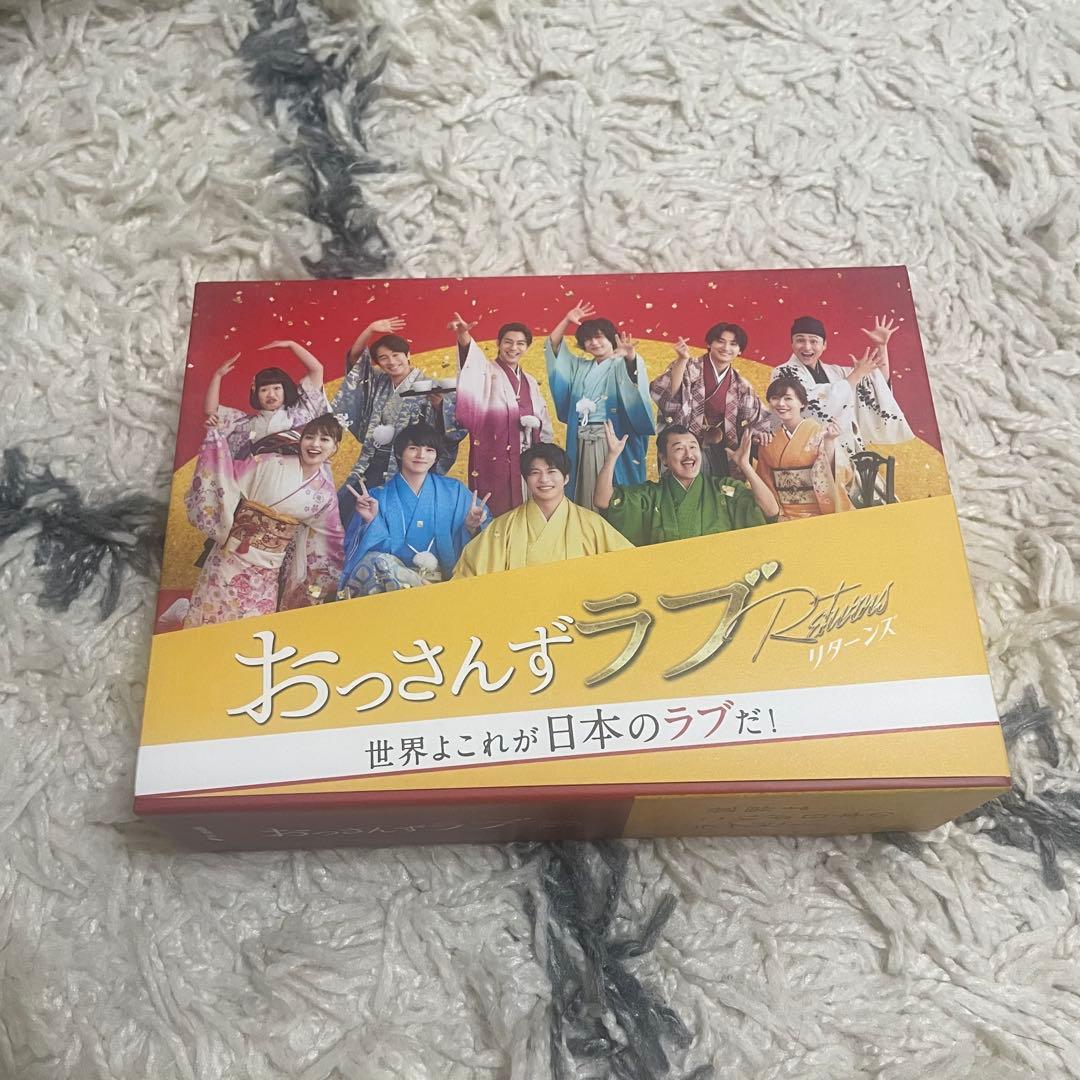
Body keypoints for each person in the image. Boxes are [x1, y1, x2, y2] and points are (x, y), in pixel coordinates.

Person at [183, 414, 345, 627]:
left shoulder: (325, 494)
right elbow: (226, 480)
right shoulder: (269, 462)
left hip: (269, 568)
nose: (315, 444)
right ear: (300, 440)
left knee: (254, 628)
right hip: (231, 557)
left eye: (324, 439)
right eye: (309, 437)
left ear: (335, 447)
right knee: (211, 619)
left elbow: (330, 541)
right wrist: (218, 439)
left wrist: (331, 578)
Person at [331, 317, 465, 522]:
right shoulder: (378, 381)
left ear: (408, 355)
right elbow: (356, 361)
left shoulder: (430, 386)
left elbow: (452, 429)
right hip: (374, 459)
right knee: (350, 509)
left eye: (396, 355)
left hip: (408, 464)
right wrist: (370, 329)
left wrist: (439, 407)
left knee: (392, 515)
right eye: (383, 358)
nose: (391, 362)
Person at [339, 422, 490, 595]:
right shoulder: (376, 497)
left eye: (429, 450)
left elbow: (485, 544)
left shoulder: (455, 491)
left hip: (446, 583)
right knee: (373, 560)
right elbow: (365, 555)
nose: (421, 455)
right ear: (399, 453)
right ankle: (416, 584)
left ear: (436, 456)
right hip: (393, 586)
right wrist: (371, 522)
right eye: (413, 448)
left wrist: (471, 527)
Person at [454, 443, 632, 577]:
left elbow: (629, 564)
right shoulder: (503, 529)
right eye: (535, 473)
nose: (544, 479)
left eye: (552, 472)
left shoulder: (592, 524)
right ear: (526, 479)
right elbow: (469, 574)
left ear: (566, 478)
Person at [544, 300, 655, 508]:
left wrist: (630, 356)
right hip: (583, 437)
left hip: (614, 435)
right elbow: (554, 348)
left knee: (616, 488)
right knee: (586, 488)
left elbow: (635, 381)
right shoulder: (580, 367)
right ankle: (590, 523)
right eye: (588, 339)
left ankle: (618, 522)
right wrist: (567, 320)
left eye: (599, 337)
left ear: (611, 338)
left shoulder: (622, 362)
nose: (594, 343)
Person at [594, 422, 778, 547]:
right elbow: (603, 500)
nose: (689, 455)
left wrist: (745, 466)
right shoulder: (651, 496)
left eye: (693, 447)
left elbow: (770, 510)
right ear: (664, 459)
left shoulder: (723, 490)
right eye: (679, 449)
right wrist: (612, 457)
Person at [776, 316, 913, 481]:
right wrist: (857, 374)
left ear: (824, 345)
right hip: (807, 455)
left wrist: (881, 347)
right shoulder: (783, 373)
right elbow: (809, 405)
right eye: (800, 340)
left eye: (813, 341)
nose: (807, 347)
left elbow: (877, 386)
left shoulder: (835, 372)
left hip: (846, 450)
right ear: (792, 343)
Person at [450, 311, 554, 517]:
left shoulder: (530, 381)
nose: (514, 348)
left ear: (527, 347)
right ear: (498, 343)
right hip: (494, 456)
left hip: (527, 457)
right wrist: (463, 336)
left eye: (520, 343)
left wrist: (545, 450)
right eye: (508, 342)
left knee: (530, 511)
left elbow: (543, 417)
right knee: (496, 507)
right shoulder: (486, 372)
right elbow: (471, 364)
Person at [649, 323, 773, 479]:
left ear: (740, 350)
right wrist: (681, 360)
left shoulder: (740, 385)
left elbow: (762, 419)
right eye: (720, 341)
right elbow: (671, 397)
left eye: (733, 344)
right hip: (687, 444)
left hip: (721, 446)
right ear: (709, 344)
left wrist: (760, 434)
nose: (726, 348)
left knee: (718, 489)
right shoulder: (689, 367)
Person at [203, 341, 330, 459]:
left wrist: (291, 344)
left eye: (276, 388)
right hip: (257, 473)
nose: (270, 394)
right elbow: (211, 410)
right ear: (256, 394)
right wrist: (217, 376)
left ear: (285, 390)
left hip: (295, 473)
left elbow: (317, 370)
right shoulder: (244, 422)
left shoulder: (300, 414)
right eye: (264, 390)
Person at [755, 377, 852, 519]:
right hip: (785, 513)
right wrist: (778, 512)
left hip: (820, 510)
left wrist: (829, 442)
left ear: (802, 403)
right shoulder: (769, 440)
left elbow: (839, 474)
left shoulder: (821, 433)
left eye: (788, 398)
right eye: (775, 398)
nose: (781, 403)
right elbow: (765, 480)